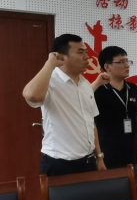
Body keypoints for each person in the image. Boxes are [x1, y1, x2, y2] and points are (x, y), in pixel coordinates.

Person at [23, 34, 106, 175]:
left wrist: (99, 156)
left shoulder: (85, 83)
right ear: (61, 56)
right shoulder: (50, 80)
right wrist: (49, 64)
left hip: (88, 161)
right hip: (60, 164)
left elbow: (90, 121)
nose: (87, 57)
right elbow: (32, 96)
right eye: (80, 52)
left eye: (86, 51)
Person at [91, 46, 137, 173]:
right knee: (110, 185)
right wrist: (99, 156)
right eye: (121, 62)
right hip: (107, 153)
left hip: (132, 152)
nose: (126, 65)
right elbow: (91, 125)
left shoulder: (133, 88)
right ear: (107, 66)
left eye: (127, 61)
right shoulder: (97, 90)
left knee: (133, 184)